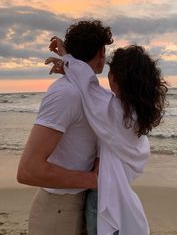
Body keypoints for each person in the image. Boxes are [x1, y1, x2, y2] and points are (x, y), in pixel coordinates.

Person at [47, 37, 168, 235]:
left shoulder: (113, 112)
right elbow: (96, 94)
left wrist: (66, 56)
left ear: (115, 78)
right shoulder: (134, 113)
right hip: (119, 191)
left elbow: (89, 88)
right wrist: (69, 68)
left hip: (103, 195)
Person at [17, 20, 113, 235]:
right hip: (57, 208)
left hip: (80, 203)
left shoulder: (92, 94)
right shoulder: (65, 94)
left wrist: (68, 64)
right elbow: (28, 171)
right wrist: (94, 180)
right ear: (101, 52)